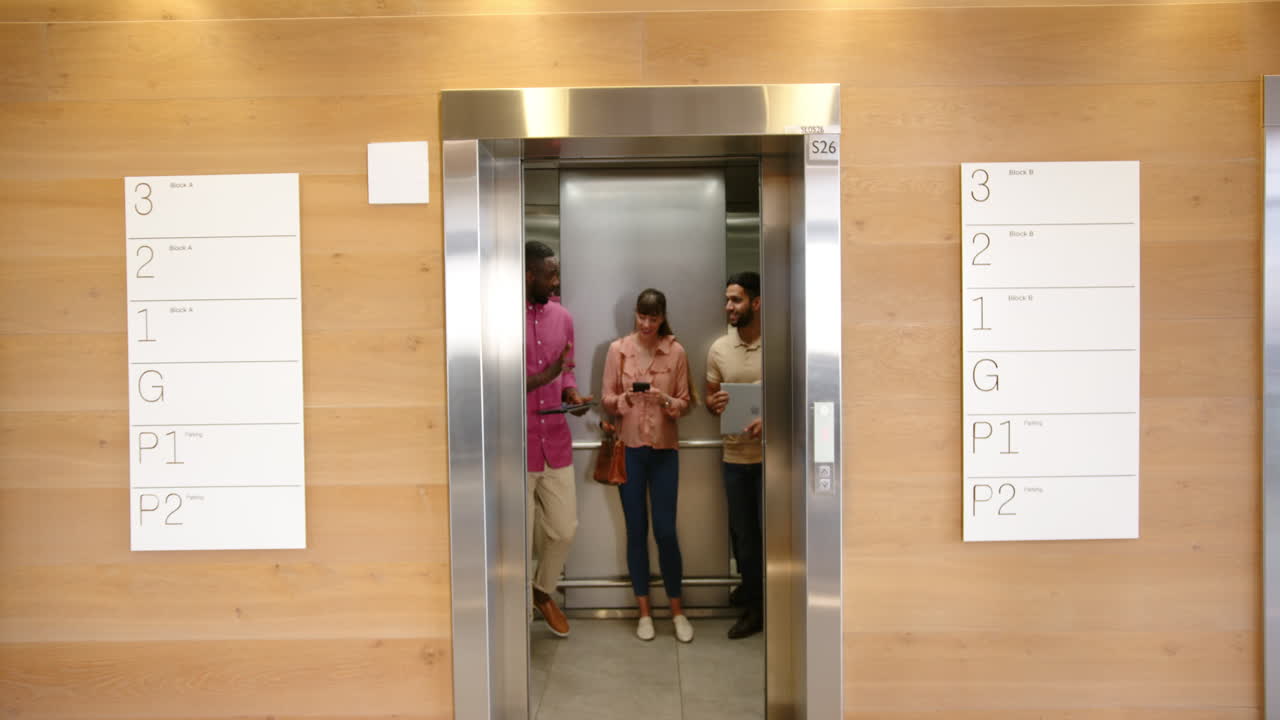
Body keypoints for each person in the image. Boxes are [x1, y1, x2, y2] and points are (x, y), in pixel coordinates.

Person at [601, 288, 695, 643]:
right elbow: (607, 399)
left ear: (662, 317)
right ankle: (644, 613)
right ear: (635, 315)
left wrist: (667, 400)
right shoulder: (618, 351)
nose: (646, 324)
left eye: (653, 318)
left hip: (664, 451)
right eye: (641, 317)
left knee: (667, 532)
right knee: (635, 531)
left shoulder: (677, 351)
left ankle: (677, 611)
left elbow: (685, 402)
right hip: (630, 451)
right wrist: (624, 400)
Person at [525, 241, 592, 638]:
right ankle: (518, 616)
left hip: (556, 441)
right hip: (515, 448)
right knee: (516, 540)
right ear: (529, 274)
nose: (556, 281)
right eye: (550, 274)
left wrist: (571, 394)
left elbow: (565, 371)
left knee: (564, 528)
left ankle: (542, 590)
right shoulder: (500, 317)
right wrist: (542, 378)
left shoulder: (562, 317)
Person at [705, 271, 764, 639]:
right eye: (727, 299)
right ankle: (753, 598)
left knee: (770, 533)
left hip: (773, 460)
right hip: (735, 457)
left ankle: (762, 603)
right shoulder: (719, 349)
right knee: (742, 535)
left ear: (756, 303)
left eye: (736, 300)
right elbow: (710, 399)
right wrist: (716, 403)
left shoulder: (779, 344)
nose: (729, 306)